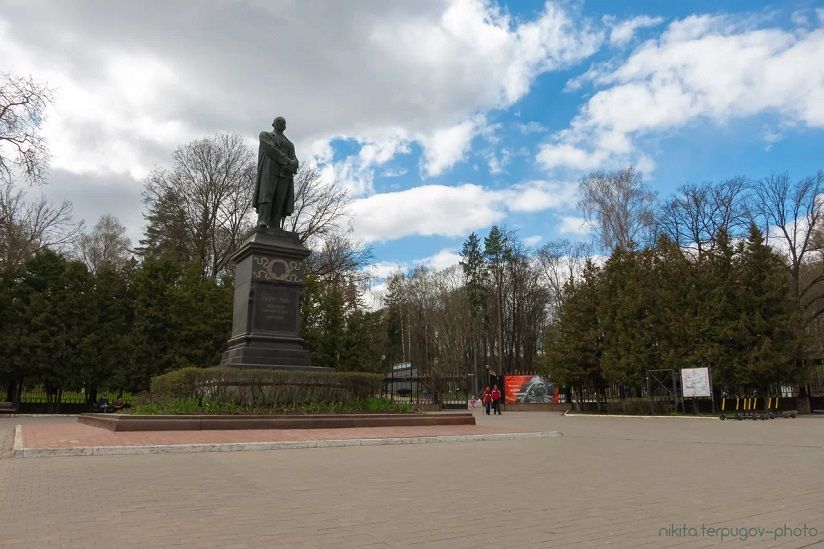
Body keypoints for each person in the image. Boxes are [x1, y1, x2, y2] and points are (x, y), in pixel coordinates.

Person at [254, 116, 299, 230]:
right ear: (273, 124)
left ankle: (275, 224)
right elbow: (271, 150)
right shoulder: (265, 135)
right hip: (269, 170)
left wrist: (294, 165)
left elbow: (294, 159)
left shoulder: (289, 144)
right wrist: (288, 162)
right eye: (278, 121)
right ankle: (263, 220)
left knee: (280, 199)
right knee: (266, 195)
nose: (280, 123)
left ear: (285, 126)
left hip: (284, 174)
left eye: (283, 122)